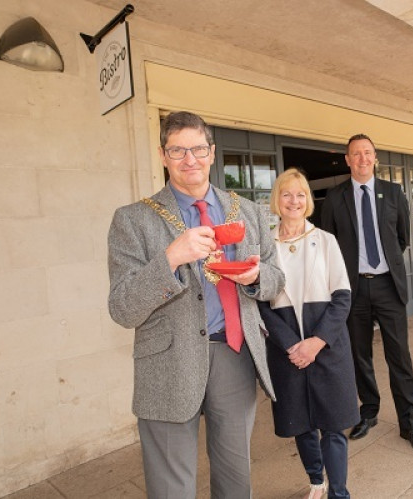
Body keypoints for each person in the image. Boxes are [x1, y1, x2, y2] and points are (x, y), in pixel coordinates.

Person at [107, 111, 285, 497]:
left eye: (198, 149)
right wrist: (169, 259)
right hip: (167, 364)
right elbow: (121, 308)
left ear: (213, 152)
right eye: (178, 150)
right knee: (172, 487)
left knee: (236, 480)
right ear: (162, 154)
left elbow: (276, 279)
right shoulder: (133, 220)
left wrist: (256, 278)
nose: (190, 159)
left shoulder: (248, 211)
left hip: (235, 355)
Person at [320, 134, 413, 454]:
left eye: (367, 153)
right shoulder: (335, 196)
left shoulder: (393, 192)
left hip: (387, 286)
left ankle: (409, 423)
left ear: (375, 157)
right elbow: (328, 244)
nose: (362, 159)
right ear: (347, 160)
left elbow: (402, 238)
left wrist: (384, 265)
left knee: (399, 356)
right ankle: (368, 412)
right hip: (352, 289)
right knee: (360, 356)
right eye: (355, 154)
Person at [258, 168, 360, 499]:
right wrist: (291, 345)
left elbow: (343, 297)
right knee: (300, 424)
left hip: (327, 345)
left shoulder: (326, 241)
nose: (294, 201)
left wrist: (316, 343)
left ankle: (339, 492)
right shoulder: (265, 246)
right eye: (287, 194)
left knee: (332, 426)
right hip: (286, 349)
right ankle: (317, 482)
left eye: (300, 194)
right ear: (277, 199)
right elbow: (259, 304)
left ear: (307, 201)